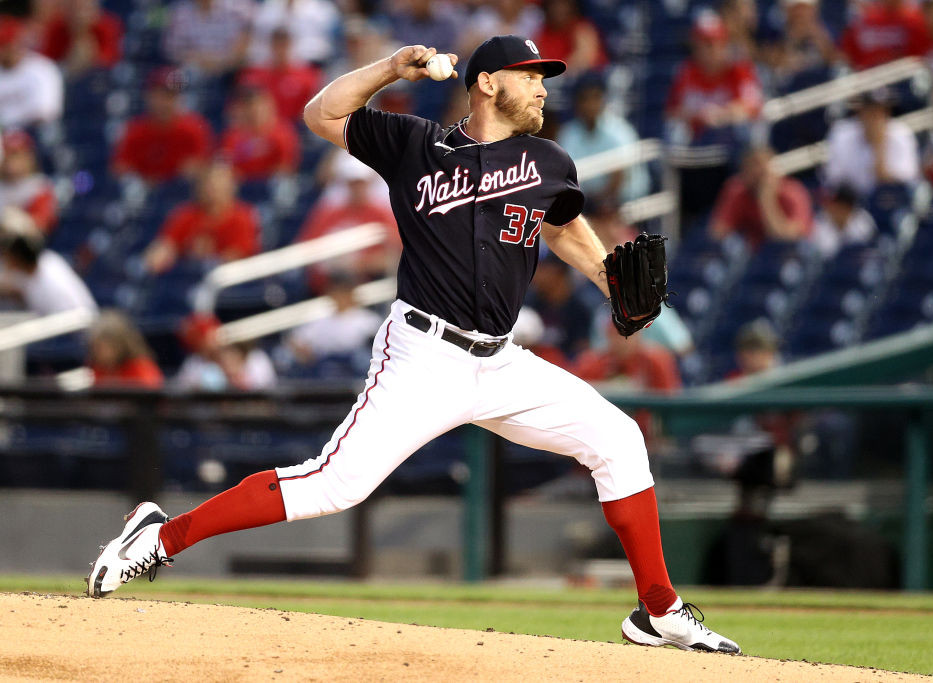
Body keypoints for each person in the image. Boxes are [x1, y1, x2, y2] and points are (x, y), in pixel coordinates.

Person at [87, 35, 741, 655]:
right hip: (424, 355)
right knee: (332, 484)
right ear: (487, 83)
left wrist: (606, 279)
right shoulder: (415, 145)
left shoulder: (549, 162)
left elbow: (564, 226)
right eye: (531, 76)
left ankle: (659, 611)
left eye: (546, 79)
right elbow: (321, 114)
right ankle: (159, 535)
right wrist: (391, 67)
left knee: (618, 438)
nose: (543, 89)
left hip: (503, 359)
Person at [295, 154, 399, 290]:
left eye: (360, 183)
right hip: (328, 283)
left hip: (368, 284)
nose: (357, 188)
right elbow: (307, 244)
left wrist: (360, 264)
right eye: (352, 183)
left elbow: (397, 253)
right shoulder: (330, 213)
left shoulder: (381, 213)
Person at [664, 12, 762, 146]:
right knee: (676, 132)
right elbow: (672, 113)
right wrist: (699, 115)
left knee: (747, 128)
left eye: (711, 44)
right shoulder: (686, 71)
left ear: (723, 44)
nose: (706, 50)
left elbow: (752, 107)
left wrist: (721, 114)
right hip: (697, 141)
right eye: (701, 44)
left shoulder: (738, 68)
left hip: (733, 143)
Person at [143, 162, 260, 274]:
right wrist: (159, 257)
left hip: (226, 284)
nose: (213, 189)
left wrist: (207, 258)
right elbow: (164, 247)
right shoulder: (186, 214)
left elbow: (240, 258)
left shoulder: (242, 216)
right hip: (187, 280)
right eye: (209, 183)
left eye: (219, 183)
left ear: (231, 187)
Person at [557, 73, 649, 208]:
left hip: (626, 205)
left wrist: (597, 204)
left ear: (603, 100)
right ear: (576, 103)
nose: (590, 105)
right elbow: (564, 176)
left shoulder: (619, 130)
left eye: (595, 97)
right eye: (584, 99)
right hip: (586, 204)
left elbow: (619, 178)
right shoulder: (569, 133)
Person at [111, 66, 213, 184]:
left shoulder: (194, 128)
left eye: (169, 96)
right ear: (148, 97)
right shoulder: (135, 130)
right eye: (158, 96)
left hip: (181, 193)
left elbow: (206, 167)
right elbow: (119, 169)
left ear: (178, 98)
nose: (163, 103)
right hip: (144, 193)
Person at [710, 145, 814, 249]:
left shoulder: (793, 192)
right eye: (751, 165)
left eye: (761, 166)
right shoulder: (737, 191)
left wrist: (766, 198)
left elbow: (786, 238)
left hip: (791, 253)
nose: (757, 171)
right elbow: (717, 234)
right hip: (753, 254)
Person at [823, 89, 920, 198]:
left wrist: (879, 147)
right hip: (852, 203)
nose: (874, 117)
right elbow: (834, 181)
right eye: (870, 111)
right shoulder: (842, 133)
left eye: (880, 111)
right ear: (860, 111)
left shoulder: (901, 133)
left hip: (889, 202)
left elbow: (904, 184)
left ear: (887, 112)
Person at [0, 207, 97, 316]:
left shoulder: (48, 286)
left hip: (76, 329)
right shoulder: (48, 259)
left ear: (15, 257)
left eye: (4, 253)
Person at [217, 82, 300, 181]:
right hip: (241, 183)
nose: (257, 111)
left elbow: (286, 166)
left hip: (270, 183)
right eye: (252, 106)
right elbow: (226, 165)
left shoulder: (283, 132)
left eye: (260, 105)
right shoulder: (233, 135)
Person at [237, 27, 322, 122]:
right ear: (271, 46)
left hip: (295, 127)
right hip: (263, 127)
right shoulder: (256, 75)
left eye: (284, 45)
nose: (280, 50)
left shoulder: (306, 76)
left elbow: (310, 110)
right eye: (277, 45)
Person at [0, 15, 63, 129]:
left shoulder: (42, 69)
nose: (2, 50)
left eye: (5, 45)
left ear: (17, 43)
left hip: (34, 134)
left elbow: (45, 114)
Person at [37, 0, 123, 75]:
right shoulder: (55, 29)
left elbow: (111, 63)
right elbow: (45, 66)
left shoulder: (107, 27)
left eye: (84, 8)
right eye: (74, 8)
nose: (79, 15)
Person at [839, 0, 928, 70]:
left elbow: (921, 58)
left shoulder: (916, 20)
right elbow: (849, 55)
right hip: (867, 80)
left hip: (903, 80)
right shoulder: (865, 20)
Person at [86, 310, 164, 388]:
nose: (101, 352)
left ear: (121, 344)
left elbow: (151, 394)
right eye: (97, 347)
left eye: (106, 347)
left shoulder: (141, 368)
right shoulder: (97, 369)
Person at [0, 130, 58, 234]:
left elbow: (42, 226)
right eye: (7, 155)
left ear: (29, 157)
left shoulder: (39, 186)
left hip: (28, 248)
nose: (11, 162)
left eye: (16, 155)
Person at [810, 184, 878, 259]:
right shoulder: (820, 222)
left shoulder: (862, 219)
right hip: (831, 266)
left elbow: (868, 248)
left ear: (848, 208)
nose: (833, 209)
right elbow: (825, 253)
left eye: (840, 207)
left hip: (860, 263)